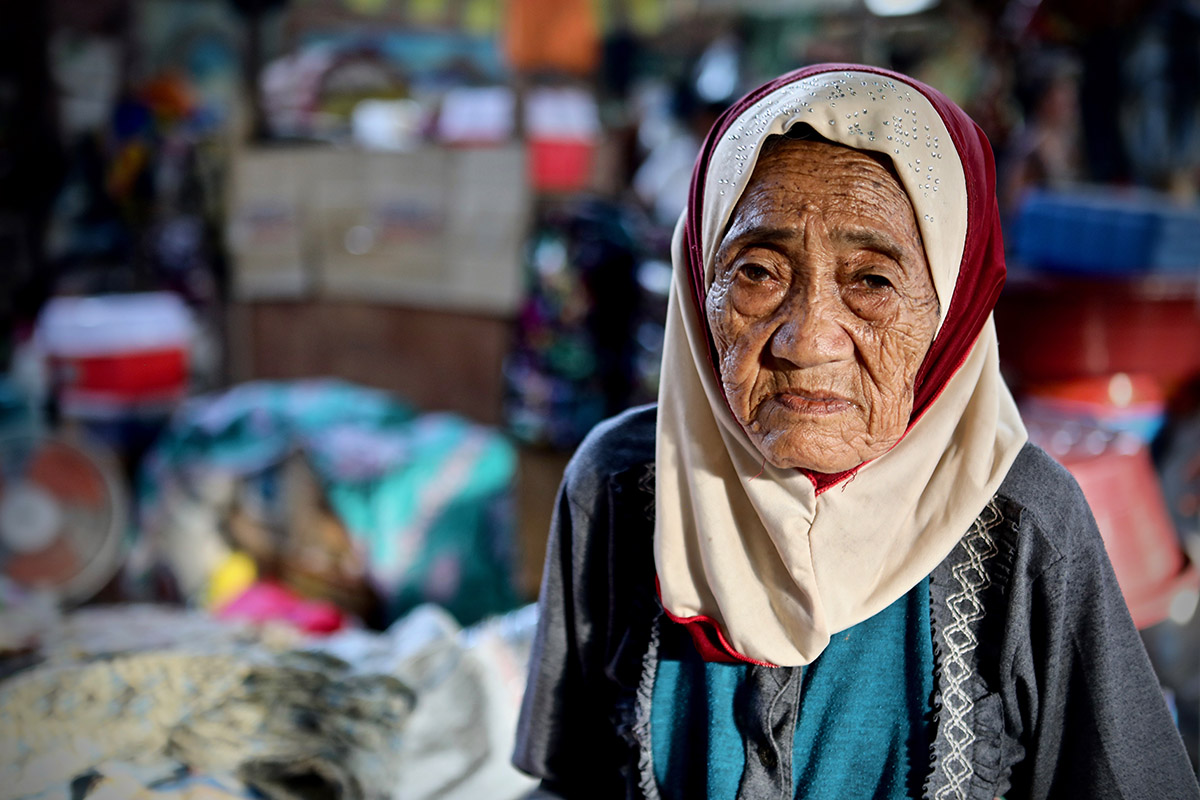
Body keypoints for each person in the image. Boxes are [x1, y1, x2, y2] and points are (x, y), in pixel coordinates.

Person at [512, 63, 1200, 799]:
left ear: (953, 307)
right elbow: (571, 782)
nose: (808, 341)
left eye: (871, 281)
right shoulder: (622, 486)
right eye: (757, 272)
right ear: (696, 280)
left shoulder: (1022, 522)